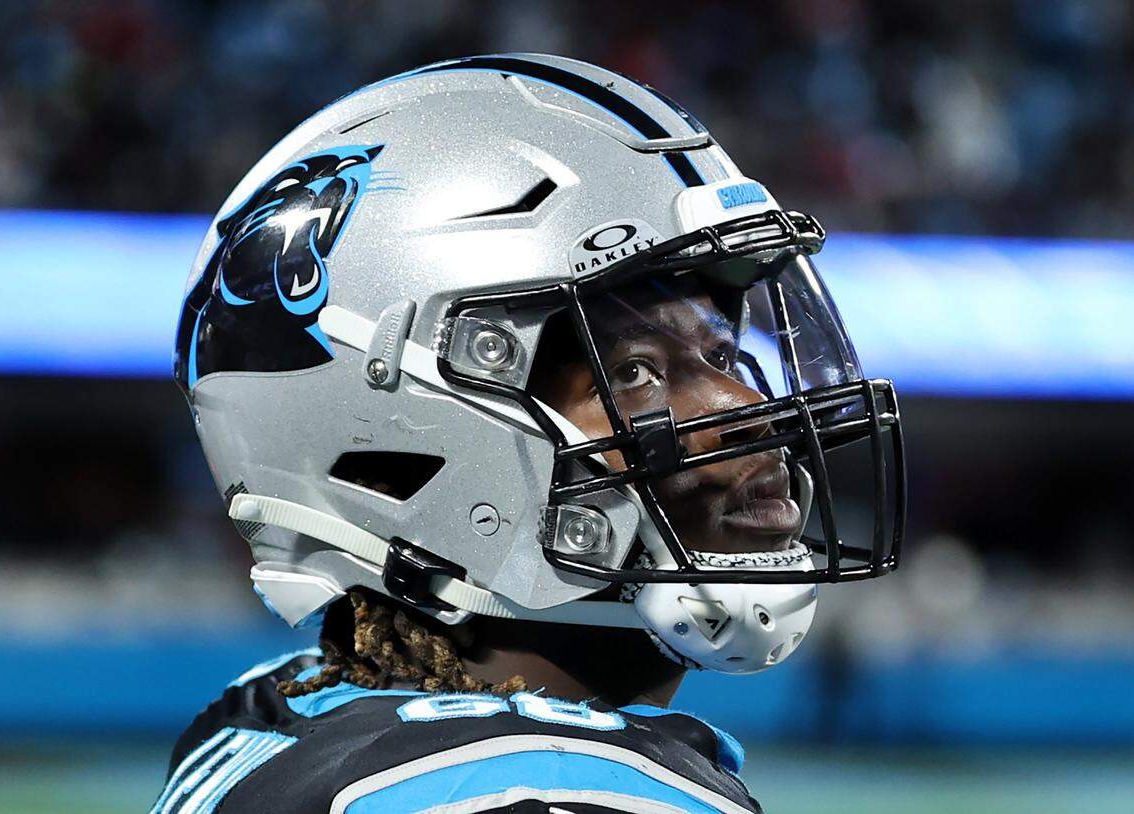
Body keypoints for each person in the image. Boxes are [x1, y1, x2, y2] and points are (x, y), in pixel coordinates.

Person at [153, 53, 905, 814]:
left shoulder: (277, 711)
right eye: (635, 372)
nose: (742, 403)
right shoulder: (541, 794)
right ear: (395, 450)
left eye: (719, 354)